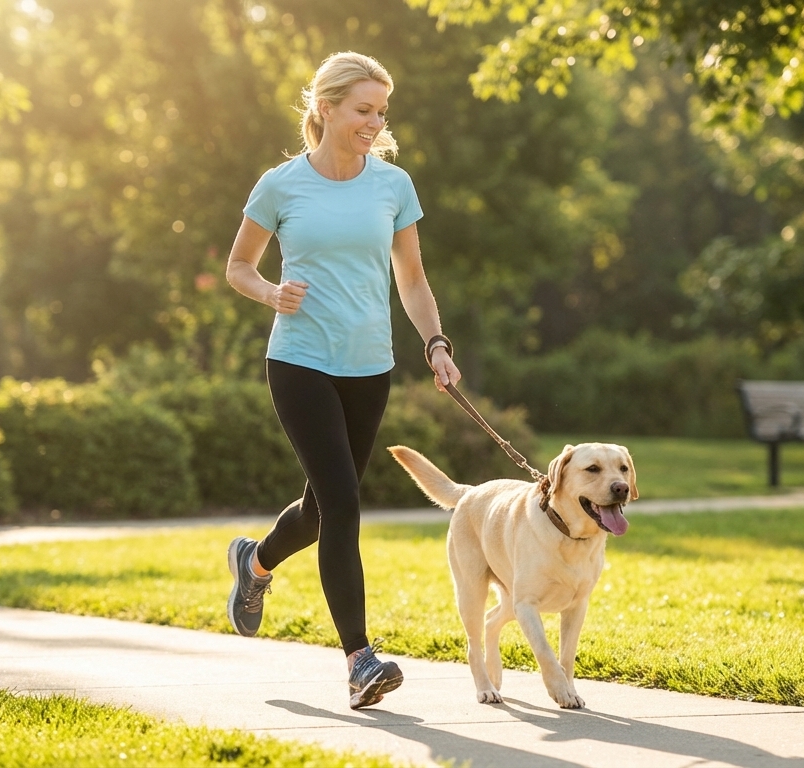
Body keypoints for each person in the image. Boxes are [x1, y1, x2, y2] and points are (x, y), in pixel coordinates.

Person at [223, 51, 461, 710]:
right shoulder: (281, 185)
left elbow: (411, 279)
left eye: (381, 111)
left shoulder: (392, 185)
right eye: (362, 110)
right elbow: (238, 266)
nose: (374, 122)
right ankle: (360, 660)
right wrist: (272, 294)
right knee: (345, 502)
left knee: (321, 507)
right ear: (325, 109)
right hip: (299, 360)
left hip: (370, 366)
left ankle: (256, 561)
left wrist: (435, 343)